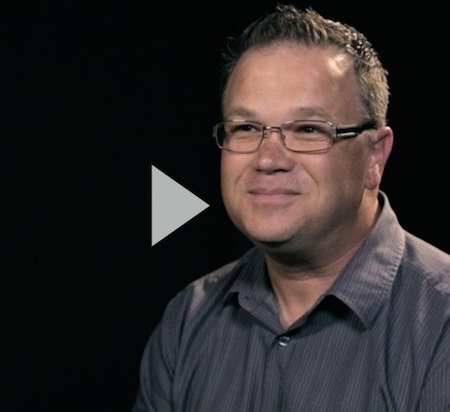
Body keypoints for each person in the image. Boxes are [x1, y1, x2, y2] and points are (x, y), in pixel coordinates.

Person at [132, 4, 450, 411]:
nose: (268, 159)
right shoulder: (187, 321)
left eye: (308, 129)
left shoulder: (441, 323)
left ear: (374, 156)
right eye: (246, 128)